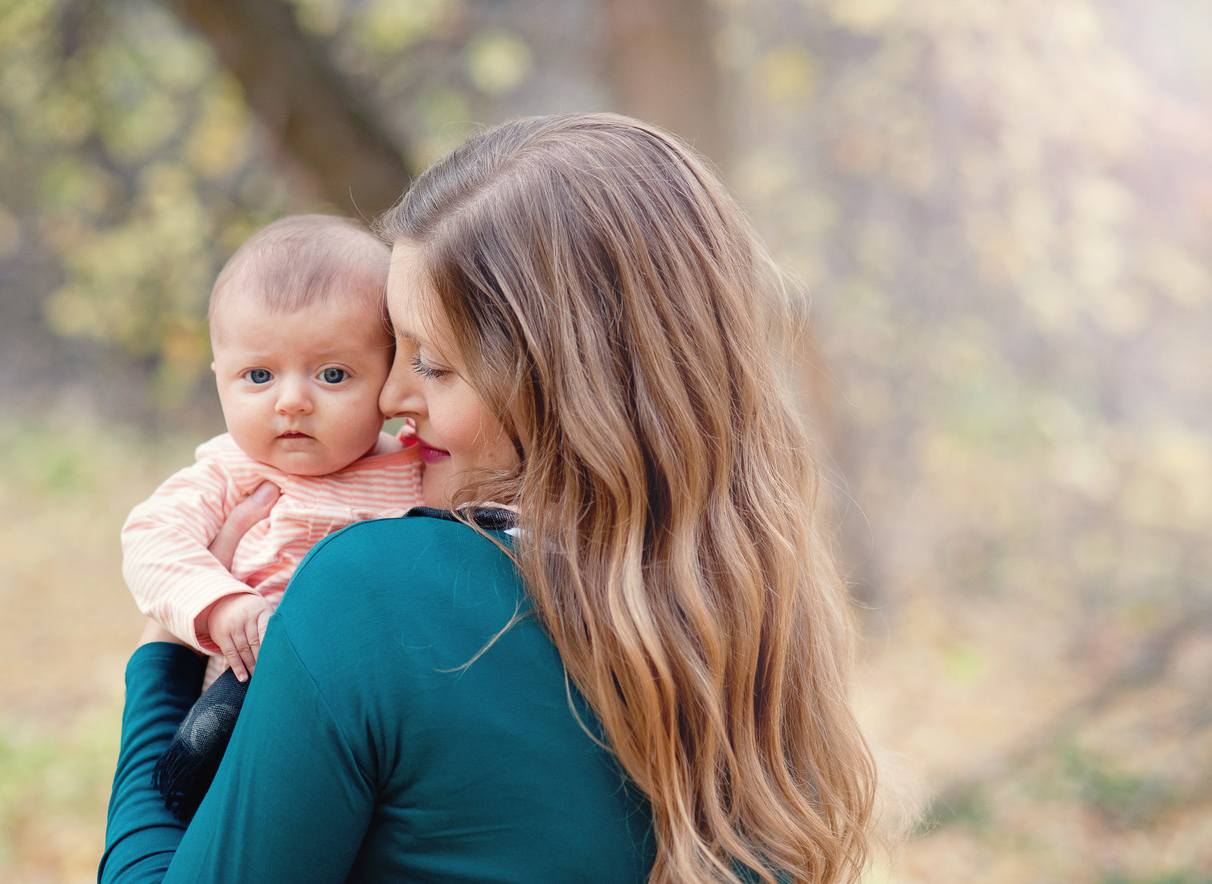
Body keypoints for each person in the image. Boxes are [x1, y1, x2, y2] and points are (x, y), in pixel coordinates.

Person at [101, 113, 880, 884]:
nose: (391, 397)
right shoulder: (750, 629)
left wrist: (164, 653)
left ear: (567, 386)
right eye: (394, 352)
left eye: (433, 364)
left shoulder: (373, 594)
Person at [121, 215, 424, 688]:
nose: (292, 402)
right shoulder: (231, 471)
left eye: (332, 375)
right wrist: (221, 604)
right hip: (242, 706)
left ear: (389, 375)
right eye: (259, 376)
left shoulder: (419, 467)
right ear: (220, 378)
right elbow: (150, 540)